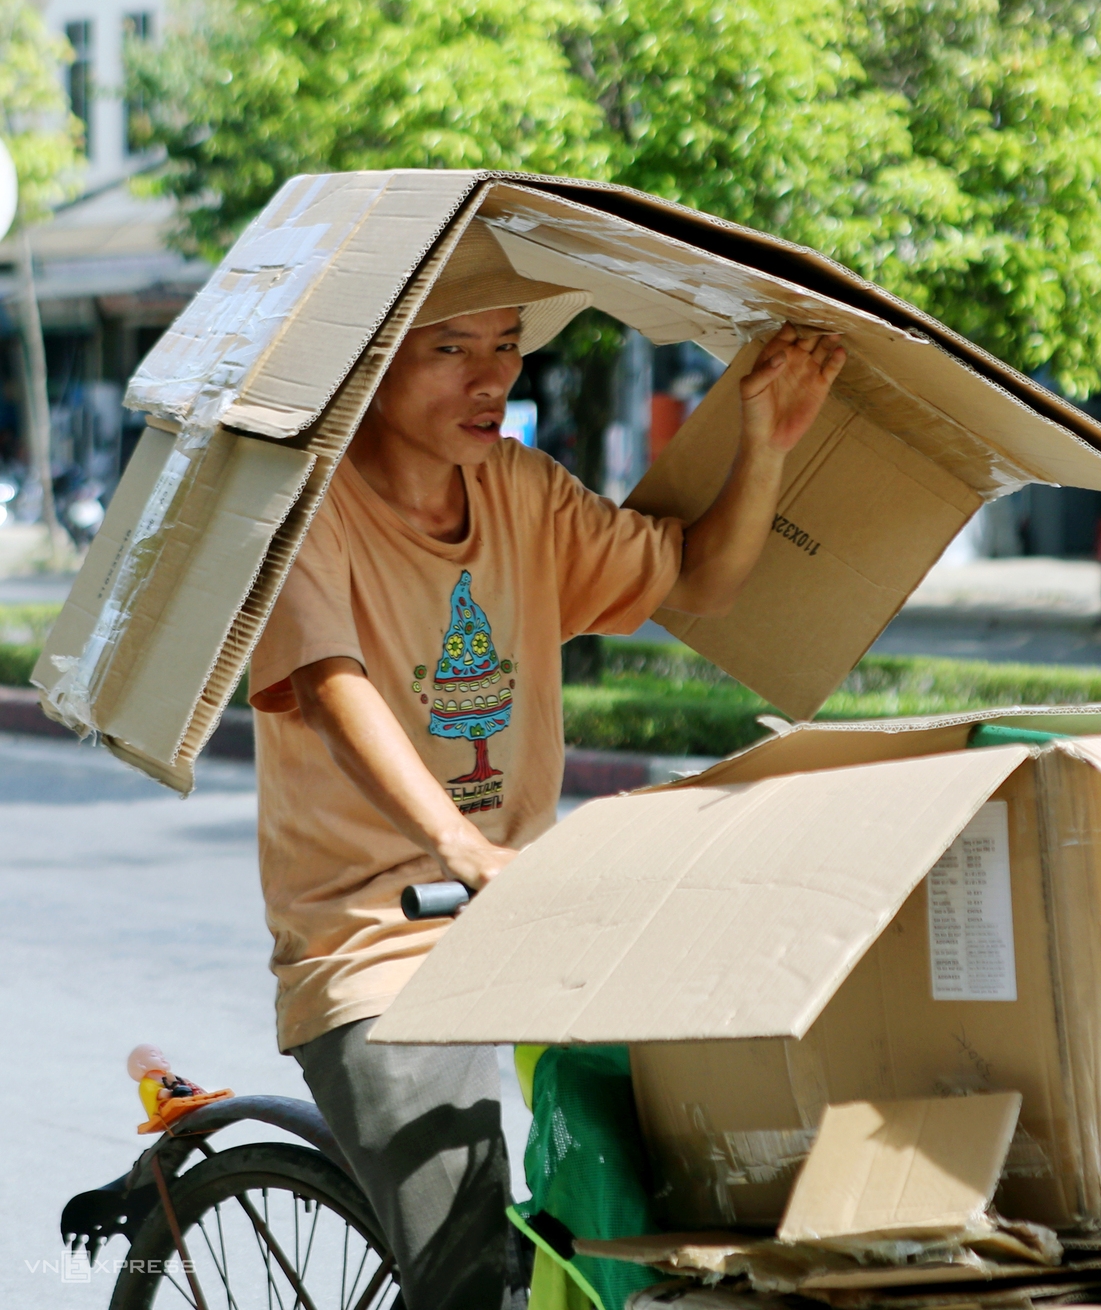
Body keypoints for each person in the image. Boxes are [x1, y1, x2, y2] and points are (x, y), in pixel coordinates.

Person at [248, 221, 846, 1310]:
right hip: (370, 941)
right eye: (451, 350)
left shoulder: (522, 490)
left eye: (510, 344)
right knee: (473, 1269)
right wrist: (463, 845)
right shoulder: (304, 510)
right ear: (373, 362)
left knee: (671, 1198)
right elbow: (336, 686)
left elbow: (701, 582)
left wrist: (769, 439)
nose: (493, 378)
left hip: (526, 911)